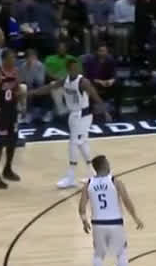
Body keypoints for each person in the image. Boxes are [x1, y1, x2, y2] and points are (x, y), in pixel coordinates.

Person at [30, 58, 105, 189]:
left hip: (84, 115)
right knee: (82, 143)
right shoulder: (65, 80)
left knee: (73, 143)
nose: (76, 70)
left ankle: (71, 177)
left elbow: (95, 95)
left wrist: (105, 111)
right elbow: (49, 88)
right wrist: (31, 93)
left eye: (77, 68)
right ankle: (94, 174)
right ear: (68, 69)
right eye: (73, 68)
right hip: (74, 114)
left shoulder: (83, 82)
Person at [78, 155, 144, 266]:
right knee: (121, 254)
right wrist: (135, 218)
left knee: (98, 255)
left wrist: (84, 221)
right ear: (104, 165)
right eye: (107, 162)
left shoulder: (88, 184)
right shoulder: (115, 182)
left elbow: (81, 207)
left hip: (98, 224)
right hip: (115, 223)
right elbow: (127, 201)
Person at [0, 49, 25, 189]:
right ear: (4, 59)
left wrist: (22, 105)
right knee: (1, 141)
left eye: (14, 57)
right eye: (11, 58)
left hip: (12, 110)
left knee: (13, 140)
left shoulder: (15, 72)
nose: (13, 60)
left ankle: (7, 169)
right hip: (0, 110)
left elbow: (17, 90)